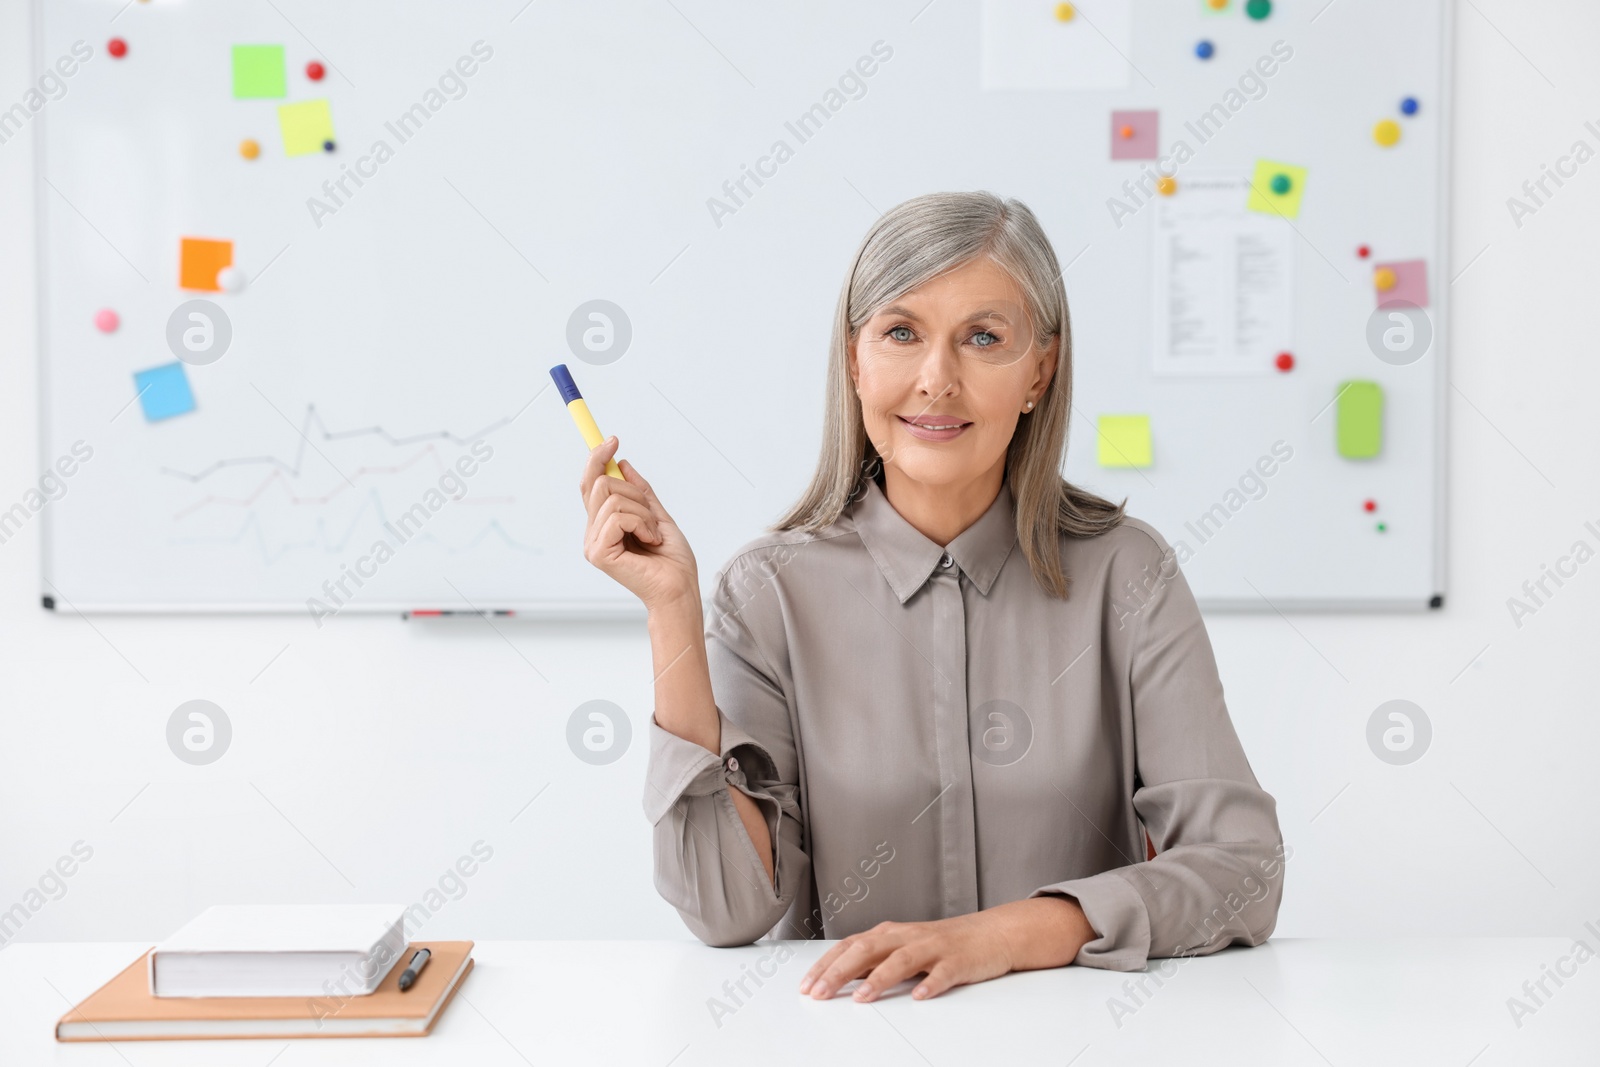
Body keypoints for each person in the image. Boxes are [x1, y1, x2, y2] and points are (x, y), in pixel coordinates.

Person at [577, 191, 1285, 1003]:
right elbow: (727, 909)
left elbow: (1242, 869)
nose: (936, 380)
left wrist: (1009, 934)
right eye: (901, 333)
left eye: (984, 338)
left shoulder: (1128, 575)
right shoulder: (767, 593)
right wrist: (671, 610)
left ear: (1039, 372)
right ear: (855, 360)